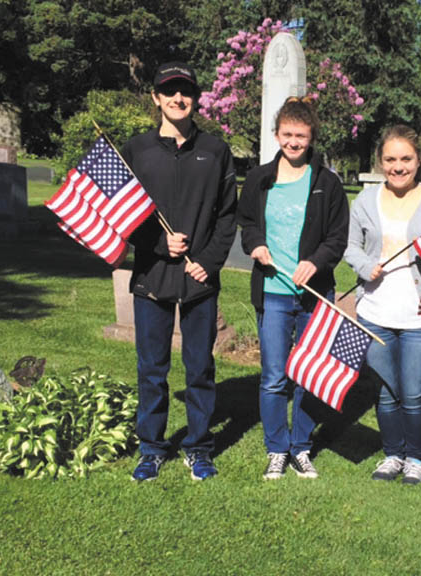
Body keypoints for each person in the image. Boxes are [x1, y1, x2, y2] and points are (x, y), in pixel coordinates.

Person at [122, 62, 237, 482]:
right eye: (168, 90)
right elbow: (123, 214)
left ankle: (199, 447)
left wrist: (208, 262)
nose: (177, 98)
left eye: (185, 90)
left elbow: (228, 217)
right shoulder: (137, 150)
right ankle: (151, 448)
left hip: (199, 280)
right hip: (151, 276)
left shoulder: (216, 150)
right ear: (155, 97)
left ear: (196, 97)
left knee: (199, 368)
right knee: (152, 370)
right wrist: (156, 243)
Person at [238, 97, 349, 480]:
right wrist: (255, 244)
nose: (294, 142)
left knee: (308, 374)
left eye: (301, 135)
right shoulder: (258, 179)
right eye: (287, 134)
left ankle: (301, 447)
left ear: (311, 136)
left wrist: (315, 261)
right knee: (273, 376)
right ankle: (276, 448)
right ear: (276, 135)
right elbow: (247, 224)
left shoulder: (327, 183)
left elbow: (337, 238)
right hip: (272, 291)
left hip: (313, 294)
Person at [344, 125, 421, 485]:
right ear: (380, 162)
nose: (398, 166)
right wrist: (363, 266)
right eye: (390, 159)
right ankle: (393, 454)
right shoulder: (365, 200)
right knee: (386, 392)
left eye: (406, 158)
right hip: (374, 313)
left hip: (419, 316)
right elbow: (350, 247)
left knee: (414, 390)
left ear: (418, 161)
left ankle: (416, 458)